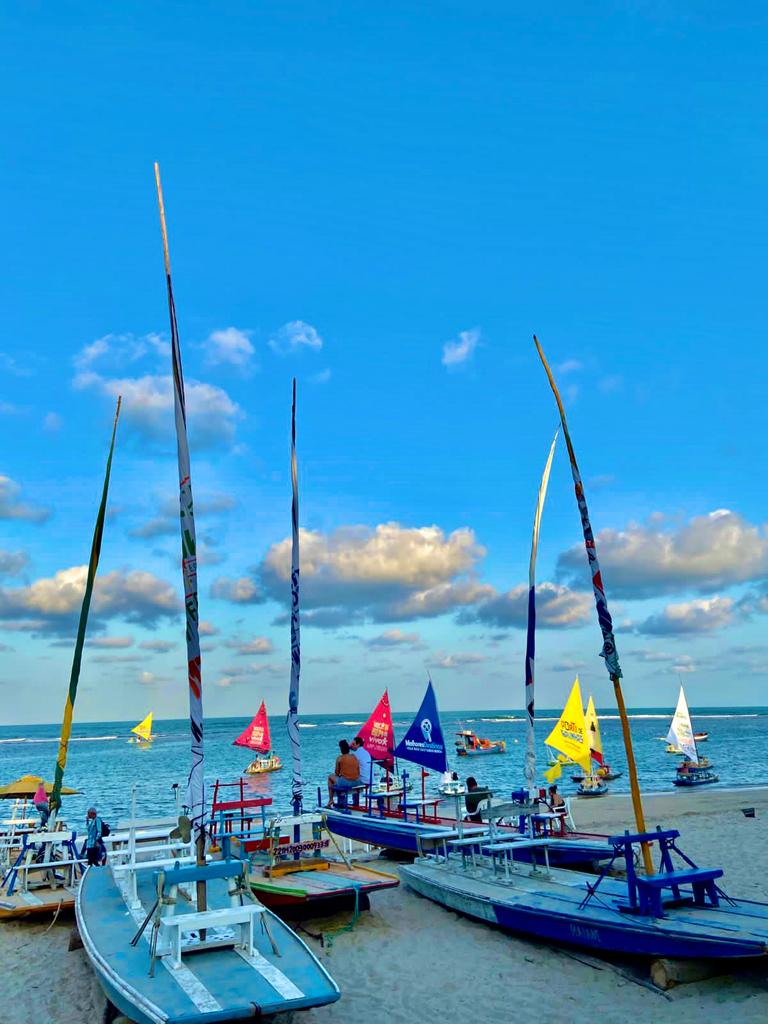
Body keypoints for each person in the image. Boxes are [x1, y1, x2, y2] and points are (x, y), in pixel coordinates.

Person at [326, 740, 361, 806]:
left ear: (341, 749)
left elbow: (336, 773)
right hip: (357, 782)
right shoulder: (354, 756)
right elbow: (358, 770)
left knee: (330, 777)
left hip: (346, 783)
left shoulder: (339, 758)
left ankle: (331, 800)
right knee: (342, 781)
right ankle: (356, 803)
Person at [350, 736, 373, 806]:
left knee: (347, 783)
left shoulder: (356, 754)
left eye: (353, 744)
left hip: (363, 780)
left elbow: (351, 768)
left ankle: (354, 803)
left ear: (358, 744)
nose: (352, 746)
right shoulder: (366, 753)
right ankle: (355, 803)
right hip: (370, 780)